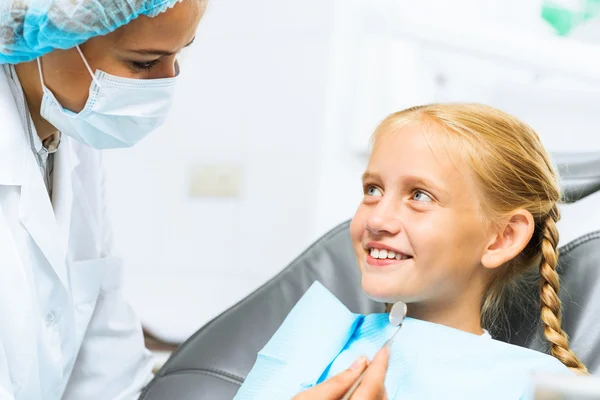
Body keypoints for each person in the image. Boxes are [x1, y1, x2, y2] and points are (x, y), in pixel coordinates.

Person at [0, 1, 389, 398]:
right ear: (44, 36)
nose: (166, 83)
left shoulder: (74, 147)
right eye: (144, 63)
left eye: (179, 54)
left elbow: (106, 375)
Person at [235, 103, 588, 400]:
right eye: (373, 189)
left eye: (420, 195)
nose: (378, 218)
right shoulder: (314, 333)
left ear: (501, 238)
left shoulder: (536, 384)